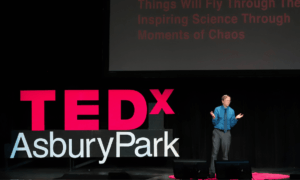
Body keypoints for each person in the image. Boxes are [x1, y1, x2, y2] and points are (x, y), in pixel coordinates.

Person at [208, 95, 244, 178]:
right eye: (227, 100)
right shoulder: (217, 109)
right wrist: (213, 117)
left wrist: (236, 118)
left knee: (225, 154)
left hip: (226, 133)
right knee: (214, 153)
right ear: (222, 101)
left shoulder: (231, 111)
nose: (228, 102)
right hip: (217, 132)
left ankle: (224, 172)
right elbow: (215, 123)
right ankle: (212, 172)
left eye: (230, 100)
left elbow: (231, 124)